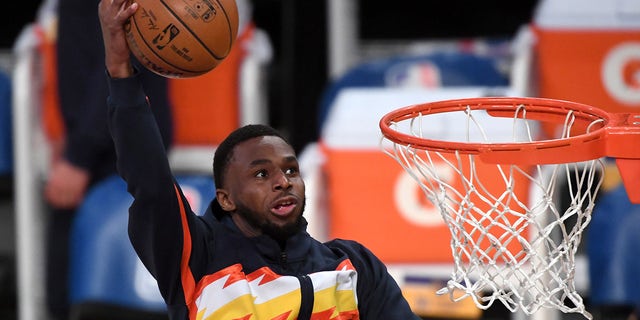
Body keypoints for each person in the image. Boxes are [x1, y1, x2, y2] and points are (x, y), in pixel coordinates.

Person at [98, 0, 421, 319]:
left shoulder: (353, 266)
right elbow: (151, 183)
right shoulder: (197, 261)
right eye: (261, 175)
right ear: (225, 199)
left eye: (291, 169)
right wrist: (120, 71)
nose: (284, 181)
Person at [43, 0, 173, 318]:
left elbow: (120, 56)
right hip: (105, 140)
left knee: (97, 301)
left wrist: (79, 154)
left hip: (115, 148)